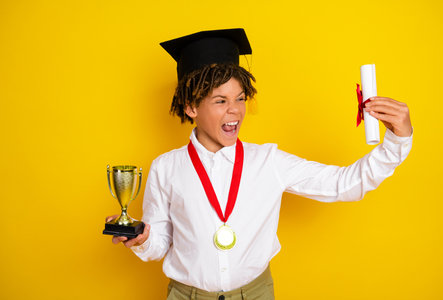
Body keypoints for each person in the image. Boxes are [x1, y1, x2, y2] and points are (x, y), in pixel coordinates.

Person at [106, 28, 413, 300]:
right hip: (186, 296)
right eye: (220, 101)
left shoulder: (268, 162)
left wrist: (397, 141)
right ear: (191, 107)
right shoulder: (166, 167)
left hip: (256, 294)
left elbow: (344, 184)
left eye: (240, 99)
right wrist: (144, 239)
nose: (235, 111)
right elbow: (161, 244)